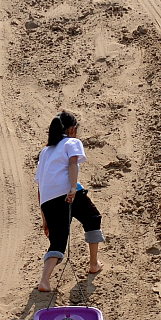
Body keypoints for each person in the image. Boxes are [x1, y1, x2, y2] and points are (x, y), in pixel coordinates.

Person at [34, 111, 104, 292]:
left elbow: (41, 185)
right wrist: (73, 188)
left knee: (57, 242)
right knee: (92, 218)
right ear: (72, 129)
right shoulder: (72, 142)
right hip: (67, 193)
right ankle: (94, 264)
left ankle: (45, 281)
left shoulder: (45, 151)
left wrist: (44, 219)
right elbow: (73, 164)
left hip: (48, 200)